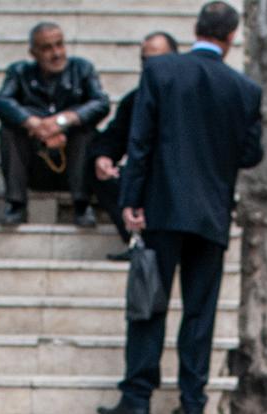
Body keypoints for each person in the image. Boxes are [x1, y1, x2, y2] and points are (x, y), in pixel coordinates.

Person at [99, 2, 262, 414]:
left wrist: (131, 198)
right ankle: (193, 403)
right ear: (231, 38)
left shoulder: (161, 72)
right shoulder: (244, 90)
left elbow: (141, 139)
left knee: (149, 301)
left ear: (196, 29)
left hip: (161, 207)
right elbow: (251, 153)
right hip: (212, 215)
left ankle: (137, 397)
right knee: (200, 311)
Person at [0, 23, 110, 227]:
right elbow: (1, 102)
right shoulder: (19, 72)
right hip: (36, 161)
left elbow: (101, 103)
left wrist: (62, 122)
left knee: (86, 130)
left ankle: (82, 203)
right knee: (9, 130)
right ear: (33, 52)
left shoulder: (82, 69)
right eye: (47, 48)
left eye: (59, 45)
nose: (56, 53)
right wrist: (34, 124)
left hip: (73, 161)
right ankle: (16, 203)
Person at [92, 32, 180, 260]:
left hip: (178, 179)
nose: (150, 66)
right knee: (104, 174)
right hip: (142, 176)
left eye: (157, 59)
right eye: (145, 60)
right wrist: (104, 157)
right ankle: (137, 239)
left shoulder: (187, 97)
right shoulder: (135, 99)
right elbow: (115, 135)